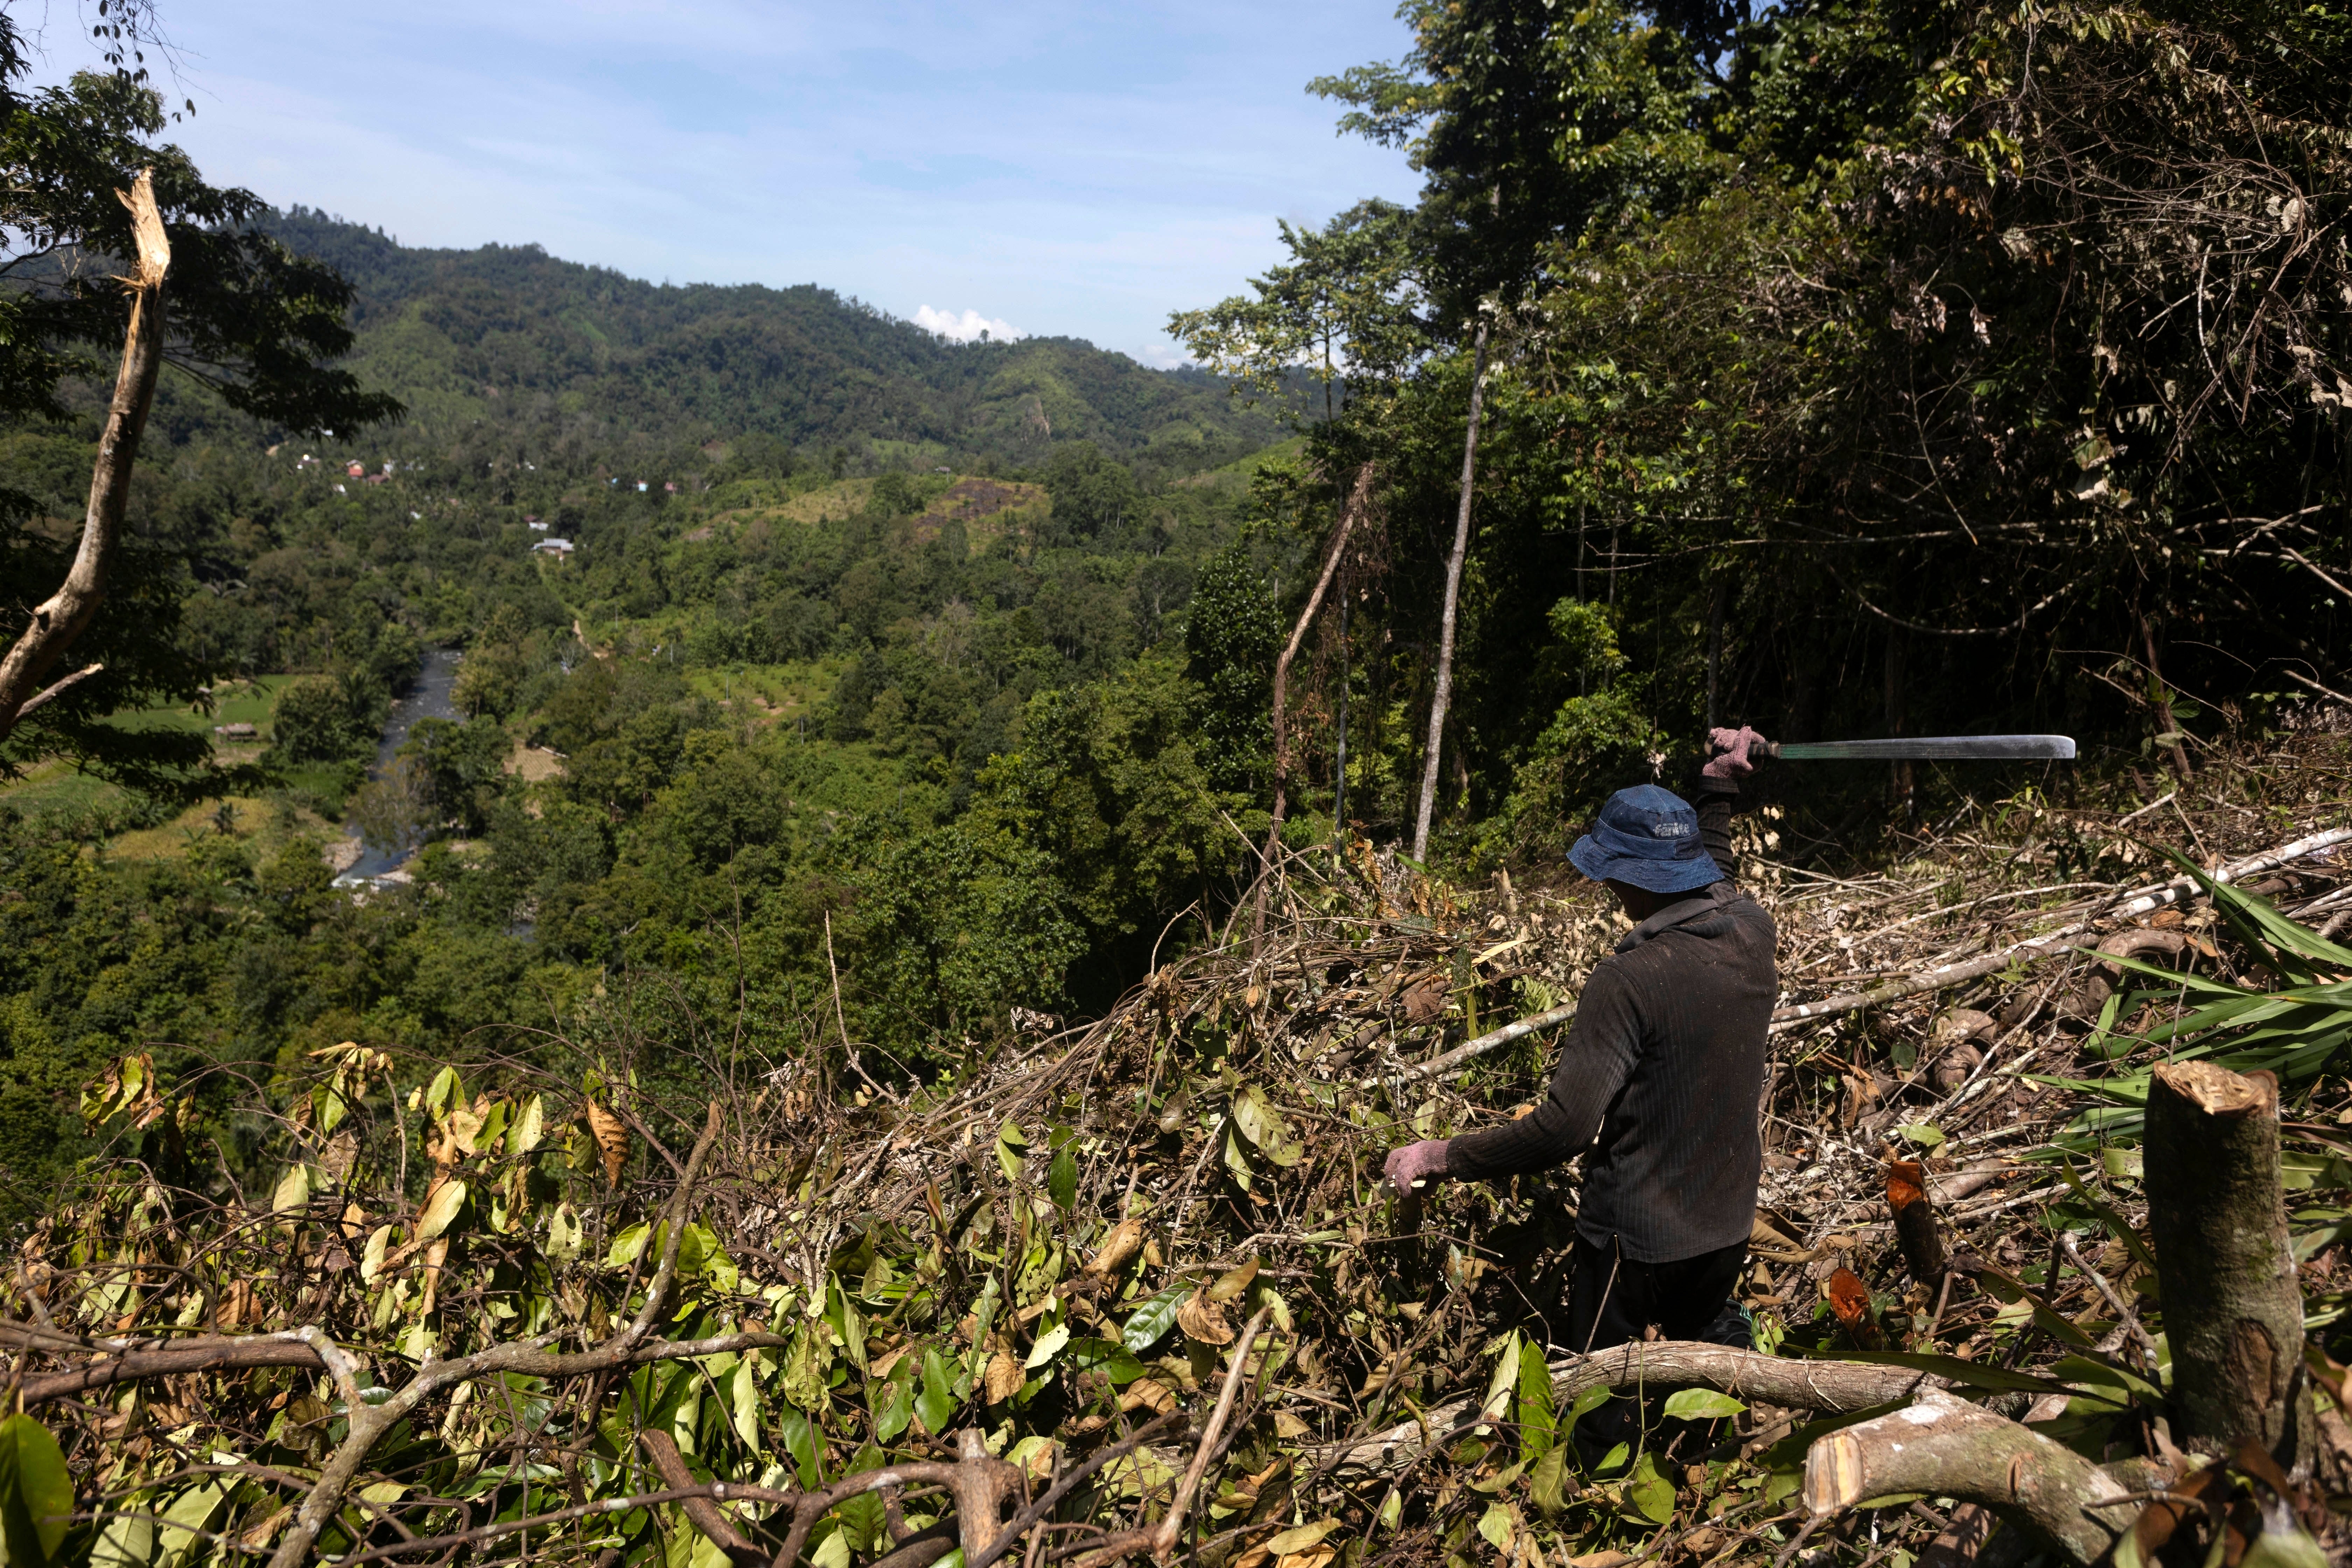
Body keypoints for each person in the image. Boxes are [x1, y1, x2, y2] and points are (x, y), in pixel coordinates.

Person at [1381, 728, 1776, 1464]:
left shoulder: (1629, 979)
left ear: (1629, 877)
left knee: (1602, 1387)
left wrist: (1444, 1153)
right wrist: (1719, 785)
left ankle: (1600, 1488)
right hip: (1726, 1215)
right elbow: (1717, 874)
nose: (1605, 887)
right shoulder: (1754, 929)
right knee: (1705, 1350)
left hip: (1636, 1237)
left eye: (1609, 874)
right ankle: (1718, 1467)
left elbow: (1566, 1127)